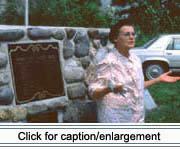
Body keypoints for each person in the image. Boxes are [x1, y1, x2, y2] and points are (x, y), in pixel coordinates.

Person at [86, 19, 180, 123]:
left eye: (133, 34)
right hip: (116, 120)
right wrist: (109, 89)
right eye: (126, 34)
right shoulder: (108, 62)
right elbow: (93, 92)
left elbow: (137, 87)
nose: (131, 37)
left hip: (137, 118)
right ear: (115, 38)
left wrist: (158, 79)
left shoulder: (135, 60)